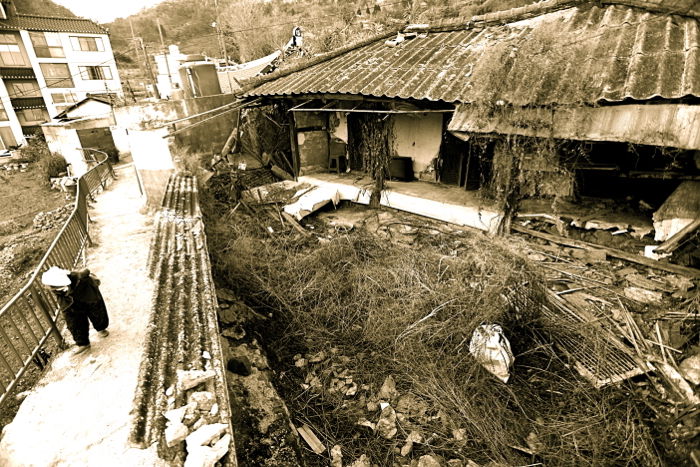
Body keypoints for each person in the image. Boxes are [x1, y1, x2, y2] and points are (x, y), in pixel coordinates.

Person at [41, 266, 109, 354]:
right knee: (73, 321)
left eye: (48, 285)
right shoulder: (57, 290)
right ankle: (83, 343)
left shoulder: (80, 278)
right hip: (68, 301)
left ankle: (101, 328)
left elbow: (85, 272)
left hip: (85, 292)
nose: (46, 287)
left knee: (95, 309)